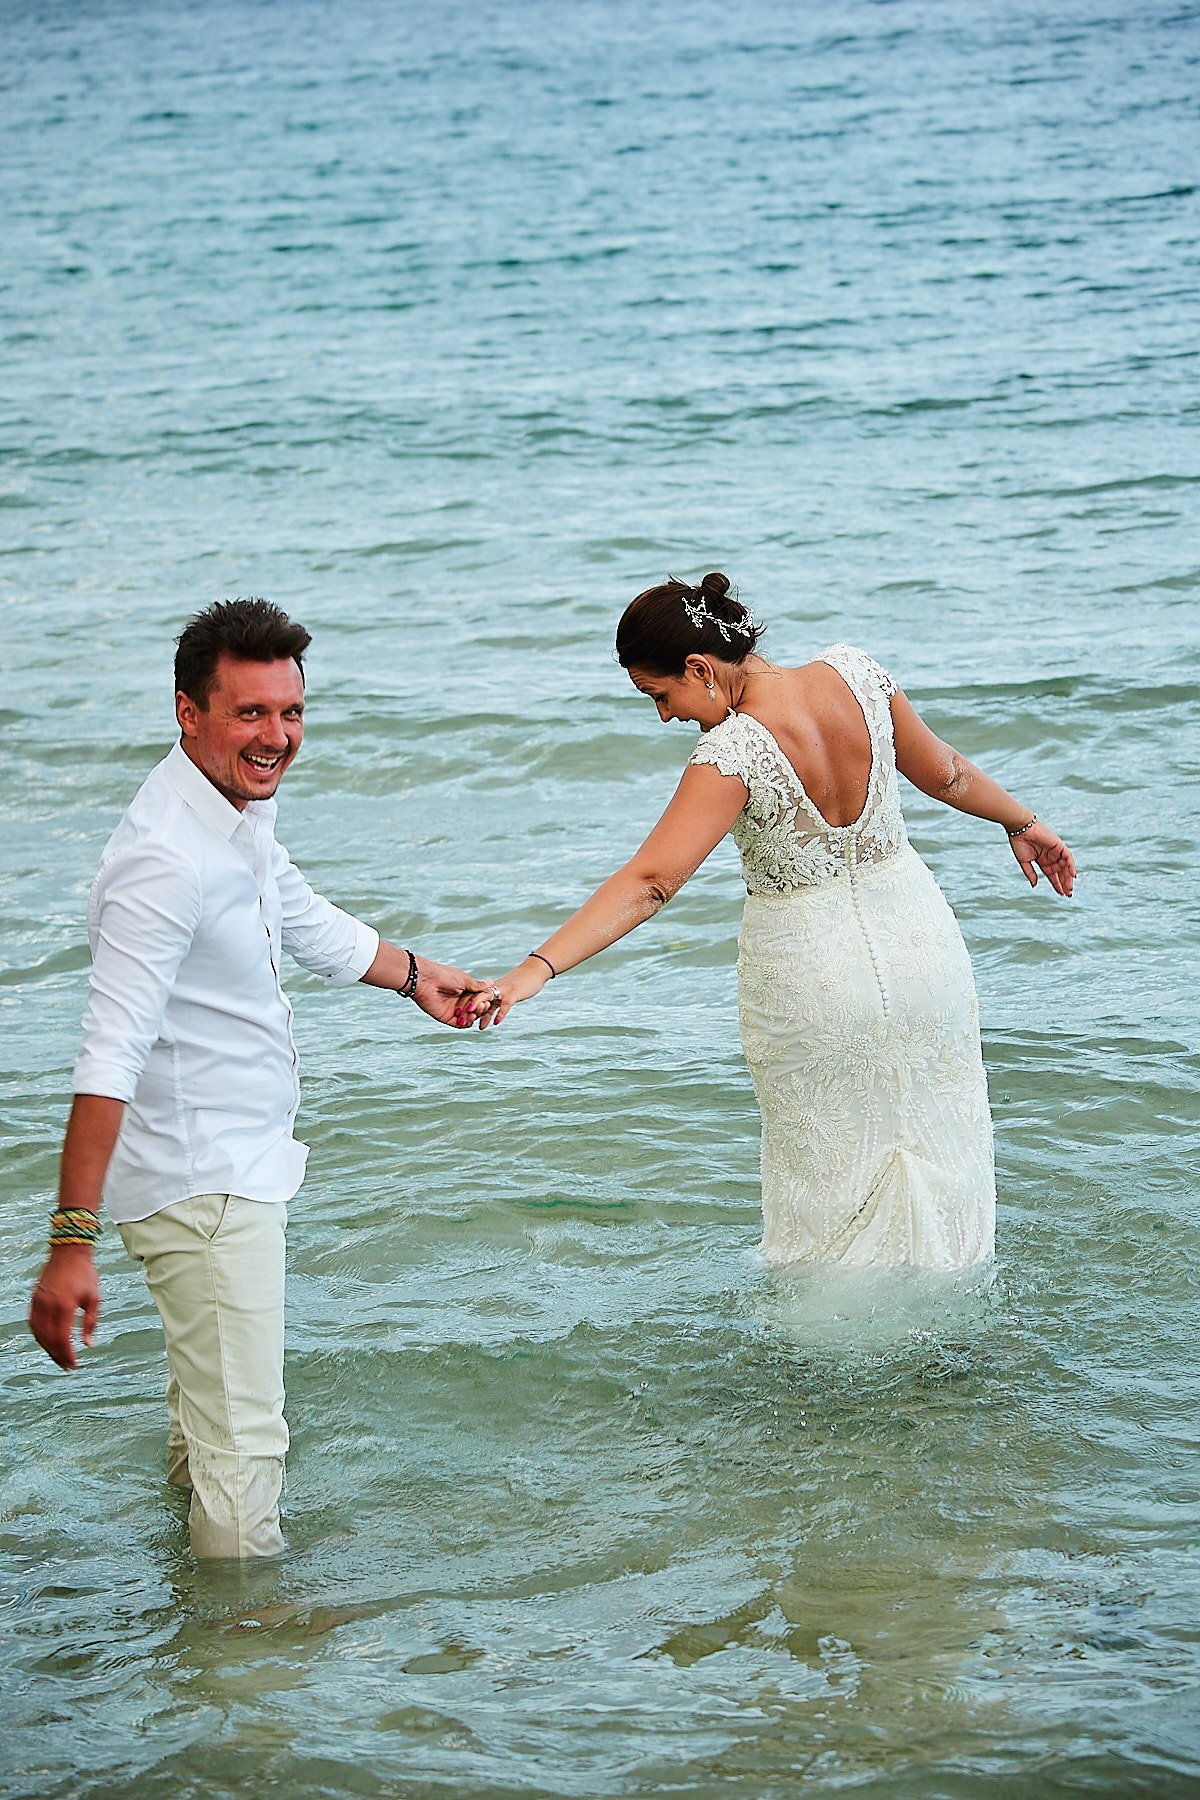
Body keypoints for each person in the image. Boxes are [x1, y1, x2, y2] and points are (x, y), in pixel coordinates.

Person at [28, 598, 494, 1559]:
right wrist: (70, 1243)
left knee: (207, 1435)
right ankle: (246, 1663)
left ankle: (186, 1639)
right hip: (206, 1186)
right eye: (250, 713)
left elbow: (297, 912)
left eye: (290, 712)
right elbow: (106, 1055)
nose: (276, 737)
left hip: (222, 1169)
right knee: (245, 1449)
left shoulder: (230, 815)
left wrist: (413, 975)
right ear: (187, 711)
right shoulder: (167, 860)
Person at [468, 572, 1076, 1270]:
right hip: (922, 952)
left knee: (828, 1184)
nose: (666, 716)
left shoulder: (733, 752)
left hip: (811, 976)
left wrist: (533, 971)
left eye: (659, 695)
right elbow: (946, 773)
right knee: (940, 1144)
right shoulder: (859, 674)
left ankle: (829, 1353)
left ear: (700, 668)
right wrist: (1024, 822)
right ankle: (952, 1326)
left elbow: (652, 882)